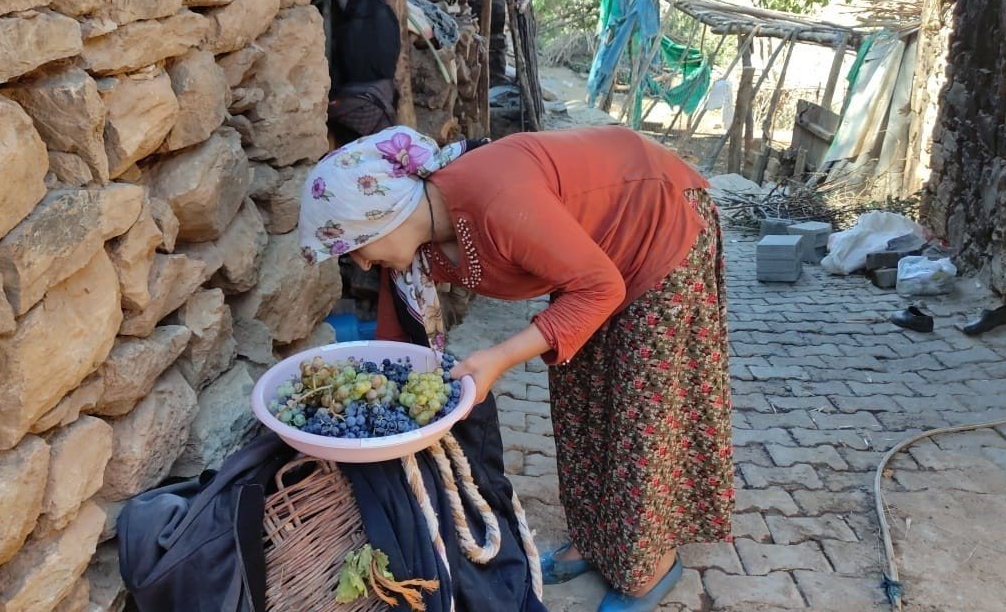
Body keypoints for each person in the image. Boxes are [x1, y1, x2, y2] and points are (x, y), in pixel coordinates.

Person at [297, 125, 734, 612]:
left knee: (638, 415)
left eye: (353, 246)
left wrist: (500, 357)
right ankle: (595, 541)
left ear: (382, 217)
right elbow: (399, 346)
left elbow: (600, 289)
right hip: (595, 258)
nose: (358, 264)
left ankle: (649, 564)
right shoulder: (416, 250)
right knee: (581, 403)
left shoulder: (496, 201)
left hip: (657, 225)